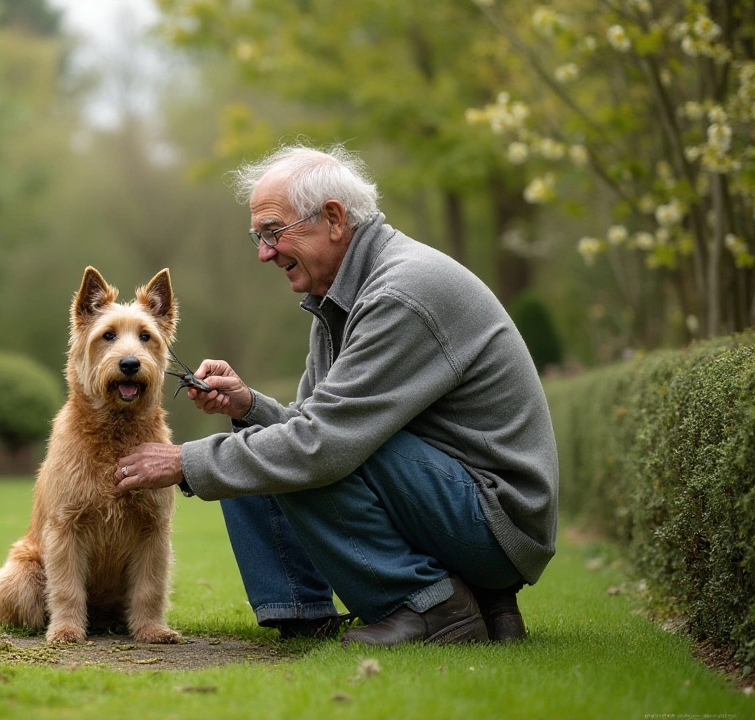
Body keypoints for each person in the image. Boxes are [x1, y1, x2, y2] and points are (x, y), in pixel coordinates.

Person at [112, 143, 559, 647]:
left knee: (276, 454)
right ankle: (311, 613)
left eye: (274, 232)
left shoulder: (398, 295)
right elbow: (310, 425)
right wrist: (248, 407)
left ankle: (432, 608)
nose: (264, 252)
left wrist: (183, 462)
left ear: (332, 218)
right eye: (257, 237)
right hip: (467, 508)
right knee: (255, 441)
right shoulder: (339, 296)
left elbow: (322, 446)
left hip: (498, 522)